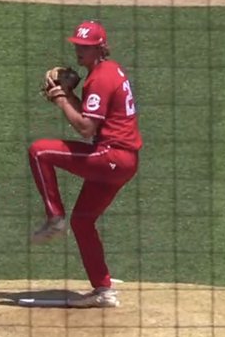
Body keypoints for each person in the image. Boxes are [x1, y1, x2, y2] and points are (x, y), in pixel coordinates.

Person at [27, 20, 143, 308]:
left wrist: (61, 99)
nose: (80, 51)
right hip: (124, 161)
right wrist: (71, 96)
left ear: (100, 48)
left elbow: (86, 129)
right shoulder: (110, 70)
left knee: (39, 151)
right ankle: (103, 290)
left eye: (87, 47)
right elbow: (94, 120)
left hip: (111, 157)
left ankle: (54, 219)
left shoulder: (100, 79)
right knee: (82, 221)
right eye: (78, 46)